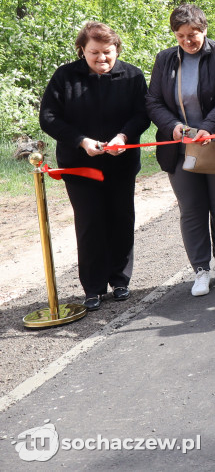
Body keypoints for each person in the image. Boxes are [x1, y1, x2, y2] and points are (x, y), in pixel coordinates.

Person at [39, 22, 149, 311]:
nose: (102, 58)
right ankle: (93, 287)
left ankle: (120, 280)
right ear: (82, 51)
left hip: (121, 164)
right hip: (79, 165)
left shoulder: (133, 76)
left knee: (121, 219)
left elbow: (142, 114)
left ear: (117, 50)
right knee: (90, 223)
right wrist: (81, 141)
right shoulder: (65, 76)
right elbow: (48, 117)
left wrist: (123, 136)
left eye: (107, 52)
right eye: (94, 52)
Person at [146, 4, 215, 297]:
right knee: (191, 210)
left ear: (204, 29)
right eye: (181, 35)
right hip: (179, 148)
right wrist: (172, 126)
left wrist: (208, 128)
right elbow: (153, 101)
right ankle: (200, 269)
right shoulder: (164, 59)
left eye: (194, 34)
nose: (188, 40)